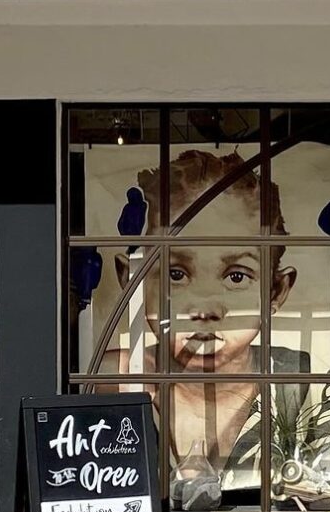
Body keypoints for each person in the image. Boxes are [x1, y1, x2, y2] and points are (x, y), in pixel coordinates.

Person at [101, 149, 308, 492]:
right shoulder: (117, 378)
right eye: (176, 273)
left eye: (237, 277)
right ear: (132, 280)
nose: (206, 307)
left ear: (276, 291)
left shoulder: (297, 379)